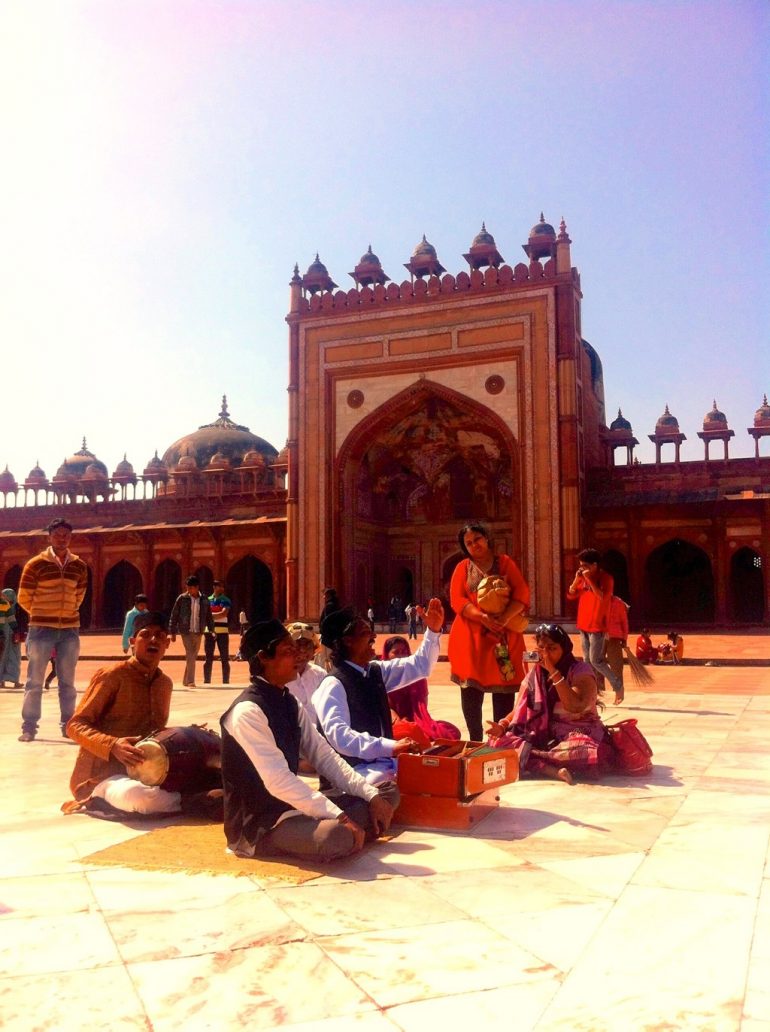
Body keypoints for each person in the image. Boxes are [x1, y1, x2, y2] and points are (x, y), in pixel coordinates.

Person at [220, 619, 398, 861]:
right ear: (263, 658)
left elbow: (324, 757)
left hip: (296, 806)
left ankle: (355, 827)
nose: (298, 656)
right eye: (288, 651)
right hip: (264, 820)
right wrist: (341, 817)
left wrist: (371, 796)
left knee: (386, 793)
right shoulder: (248, 711)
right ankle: (351, 831)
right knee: (334, 835)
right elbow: (279, 782)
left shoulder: (288, 702)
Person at [313, 599, 445, 785]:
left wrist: (432, 631)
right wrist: (390, 747)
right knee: (393, 786)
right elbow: (341, 737)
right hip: (352, 772)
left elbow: (420, 666)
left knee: (437, 776)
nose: (373, 636)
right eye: (365, 633)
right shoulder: (333, 685)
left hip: (383, 765)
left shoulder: (375, 672)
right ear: (347, 641)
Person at [63, 612, 181, 815]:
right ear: (133, 641)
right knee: (142, 797)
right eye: (146, 634)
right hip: (101, 777)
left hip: (144, 773)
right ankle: (191, 801)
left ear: (167, 644)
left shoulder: (164, 684)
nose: (154, 640)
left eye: (160, 635)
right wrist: (113, 745)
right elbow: (75, 725)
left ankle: (188, 799)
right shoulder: (112, 676)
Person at [487, 623, 610, 784]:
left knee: (580, 751)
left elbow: (574, 705)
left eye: (552, 649)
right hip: (544, 737)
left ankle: (537, 761)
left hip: (578, 735)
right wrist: (502, 726)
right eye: (541, 649)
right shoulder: (536, 674)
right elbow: (519, 708)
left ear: (564, 649)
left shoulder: (581, 670)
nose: (546, 655)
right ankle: (551, 770)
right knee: (496, 744)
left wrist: (553, 672)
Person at [448, 523, 530, 742]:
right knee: (471, 690)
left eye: (477, 539)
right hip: (471, 638)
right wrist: (481, 617)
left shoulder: (505, 563)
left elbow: (522, 593)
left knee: (503, 689)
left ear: (486, 537)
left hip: (503, 635)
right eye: (469, 543)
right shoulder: (462, 568)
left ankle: (500, 739)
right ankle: (475, 740)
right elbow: (457, 600)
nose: (475, 545)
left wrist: (503, 619)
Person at [17, 518, 88, 742]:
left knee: (68, 682)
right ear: (49, 537)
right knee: (35, 681)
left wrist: (66, 612)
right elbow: (23, 598)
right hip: (41, 629)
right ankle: (29, 726)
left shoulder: (79, 565)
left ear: (70, 537)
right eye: (57, 534)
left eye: (66, 535)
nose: (62, 538)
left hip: (69, 630)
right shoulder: (35, 564)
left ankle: (68, 725)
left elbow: (80, 596)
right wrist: (41, 613)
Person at [566, 548, 623, 699]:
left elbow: (602, 597)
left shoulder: (606, 578)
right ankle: (592, 692)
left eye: (585, 565)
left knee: (596, 660)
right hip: (583, 624)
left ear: (595, 565)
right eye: (581, 566)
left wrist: (589, 580)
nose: (582, 569)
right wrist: (576, 580)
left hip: (597, 625)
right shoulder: (583, 578)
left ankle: (618, 685)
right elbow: (571, 595)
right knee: (587, 662)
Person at [381, 636, 461, 742]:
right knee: (401, 733)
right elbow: (386, 709)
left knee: (452, 731)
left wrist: (412, 723)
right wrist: (401, 723)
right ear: (387, 655)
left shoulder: (417, 675)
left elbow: (422, 709)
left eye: (404, 651)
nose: (401, 655)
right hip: (392, 722)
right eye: (396, 652)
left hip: (416, 722)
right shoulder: (381, 674)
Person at [169, 575, 214, 687]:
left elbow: (208, 615)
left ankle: (185, 680)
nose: (189, 590)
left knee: (193, 655)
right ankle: (190, 681)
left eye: (191, 588)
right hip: (186, 630)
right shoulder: (182, 598)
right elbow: (174, 615)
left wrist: (212, 629)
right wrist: (172, 631)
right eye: (187, 588)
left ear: (197, 587)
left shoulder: (204, 600)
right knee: (190, 653)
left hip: (198, 630)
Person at [284, 621, 326, 725]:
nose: (302, 650)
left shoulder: (320, 674)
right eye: (297, 645)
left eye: (307, 645)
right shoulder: (279, 678)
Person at [203, 579, 232, 685]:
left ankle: (226, 681)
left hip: (223, 631)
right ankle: (207, 681)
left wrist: (209, 616)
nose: (221, 588)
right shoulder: (207, 600)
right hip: (209, 631)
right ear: (214, 588)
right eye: (218, 586)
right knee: (208, 657)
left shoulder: (225, 600)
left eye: (221, 586)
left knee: (224, 657)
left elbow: (224, 614)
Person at [605, 595, 629, 705]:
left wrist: (624, 638)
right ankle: (599, 692)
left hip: (614, 637)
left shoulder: (618, 603)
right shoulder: (596, 600)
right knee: (595, 665)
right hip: (598, 636)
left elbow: (624, 621)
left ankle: (618, 693)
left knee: (616, 666)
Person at [0, 587, 24, 688]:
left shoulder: (18, 607)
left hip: (13, 637)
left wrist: (18, 632)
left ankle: (15, 680)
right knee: (1, 658)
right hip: (2, 636)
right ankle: (1, 681)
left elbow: (18, 620)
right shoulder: (2, 605)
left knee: (15, 657)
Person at [318, 587, 341, 671]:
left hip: (328, 638)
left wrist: (323, 632)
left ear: (328, 596)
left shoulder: (329, 606)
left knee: (323, 658)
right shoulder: (337, 606)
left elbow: (326, 622)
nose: (323, 597)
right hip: (334, 637)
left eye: (325, 595)